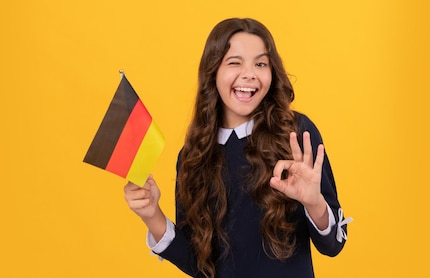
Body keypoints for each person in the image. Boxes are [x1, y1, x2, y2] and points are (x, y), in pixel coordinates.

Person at [123, 18, 351, 278]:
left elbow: (334, 244)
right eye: (234, 62)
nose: (249, 74)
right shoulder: (193, 155)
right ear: (213, 71)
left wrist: (314, 203)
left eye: (261, 63)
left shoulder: (297, 134)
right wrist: (152, 215)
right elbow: (199, 265)